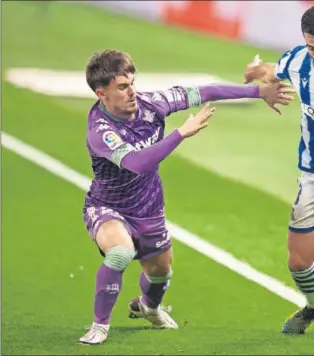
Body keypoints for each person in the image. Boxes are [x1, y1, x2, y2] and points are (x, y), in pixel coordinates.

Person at [79, 49, 294, 344]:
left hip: (149, 207)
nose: (132, 91)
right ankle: (99, 326)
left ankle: (149, 307)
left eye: (132, 82)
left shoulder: (152, 104)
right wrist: (181, 134)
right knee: (120, 253)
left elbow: (205, 91)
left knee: (160, 275)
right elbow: (137, 164)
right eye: (123, 86)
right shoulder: (101, 130)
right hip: (108, 206)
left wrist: (259, 91)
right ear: (102, 94)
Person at [243, 5, 314, 335]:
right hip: (311, 174)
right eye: (312, 46)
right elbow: (276, 70)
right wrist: (257, 72)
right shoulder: (300, 60)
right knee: (298, 263)